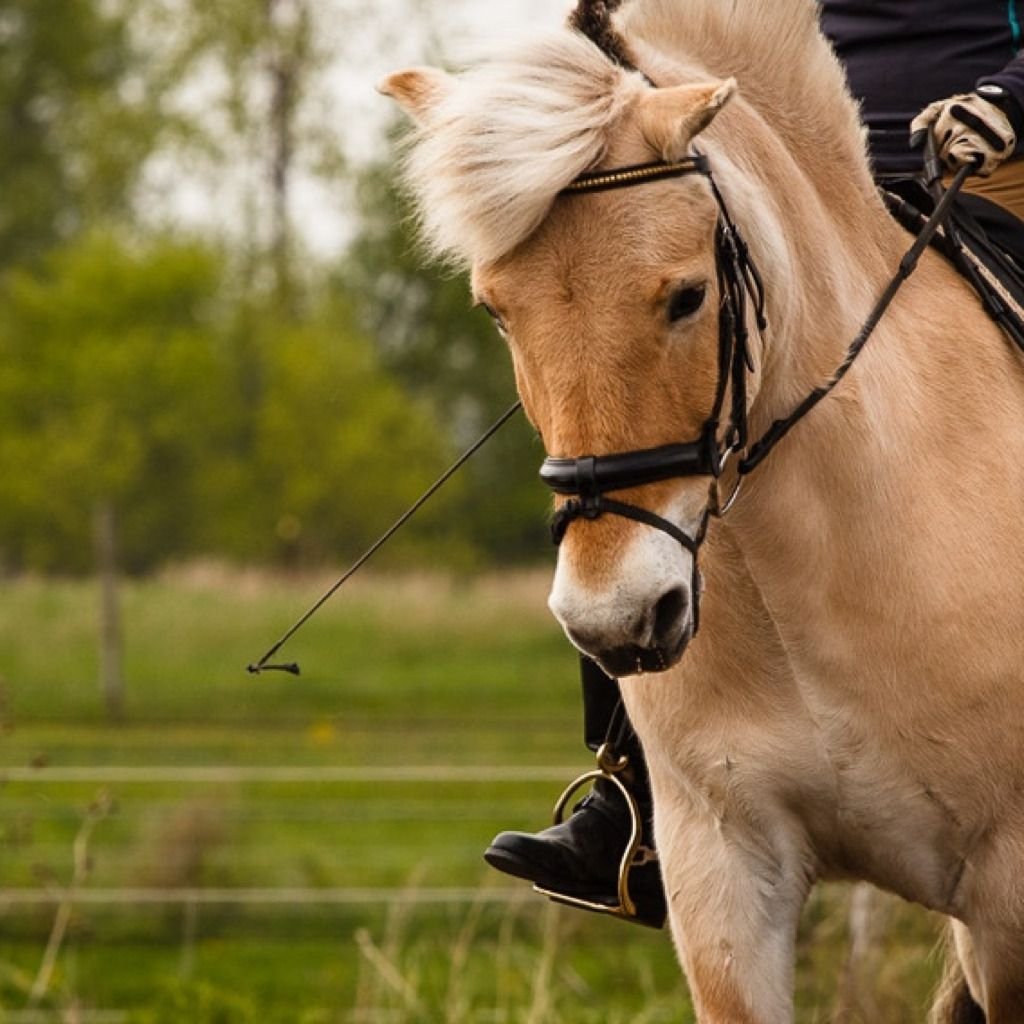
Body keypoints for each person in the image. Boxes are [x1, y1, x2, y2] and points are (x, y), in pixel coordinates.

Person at [482, 0, 1024, 928]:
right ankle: (637, 796)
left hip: (993, 168)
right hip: (790, 154)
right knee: (630, 385)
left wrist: (1012, 98)